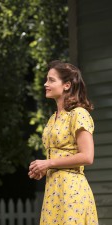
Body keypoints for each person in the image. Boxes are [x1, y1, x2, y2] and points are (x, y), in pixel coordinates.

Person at [29, 60, 98, 225]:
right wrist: (44, 169)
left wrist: (49, 163)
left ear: (67, 85)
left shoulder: (78, 114)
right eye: (47, 80)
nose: (46, 84)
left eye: (51, 80)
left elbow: (87, 157)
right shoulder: (53, 118)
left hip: (72, 191)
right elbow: (61, 155)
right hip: (53, 190)